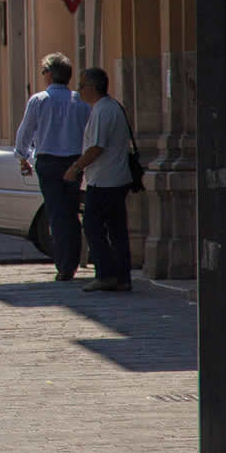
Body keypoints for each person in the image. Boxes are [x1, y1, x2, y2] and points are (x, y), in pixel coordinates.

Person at [14, 51, 91, 282]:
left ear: (49, 74)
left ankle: (65, 265)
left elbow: (25, 132)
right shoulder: (81, 102)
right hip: (75, 162)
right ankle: (72, 261)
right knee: (70, 211)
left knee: (57, 213)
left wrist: (22, 156)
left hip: (49, 162)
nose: (43, 76)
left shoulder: (39, 100)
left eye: (43, 72)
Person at [64, 64, 134, 291]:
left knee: (93, 228)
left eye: (82, 86)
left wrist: (75, 168)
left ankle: (106, 274)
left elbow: (95, 148)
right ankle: (122, 277)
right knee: (116, 230)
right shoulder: (112, 107)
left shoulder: (103, 110)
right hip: (115, 178)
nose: (79, 90)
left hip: (104, 180)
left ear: (93, 87)